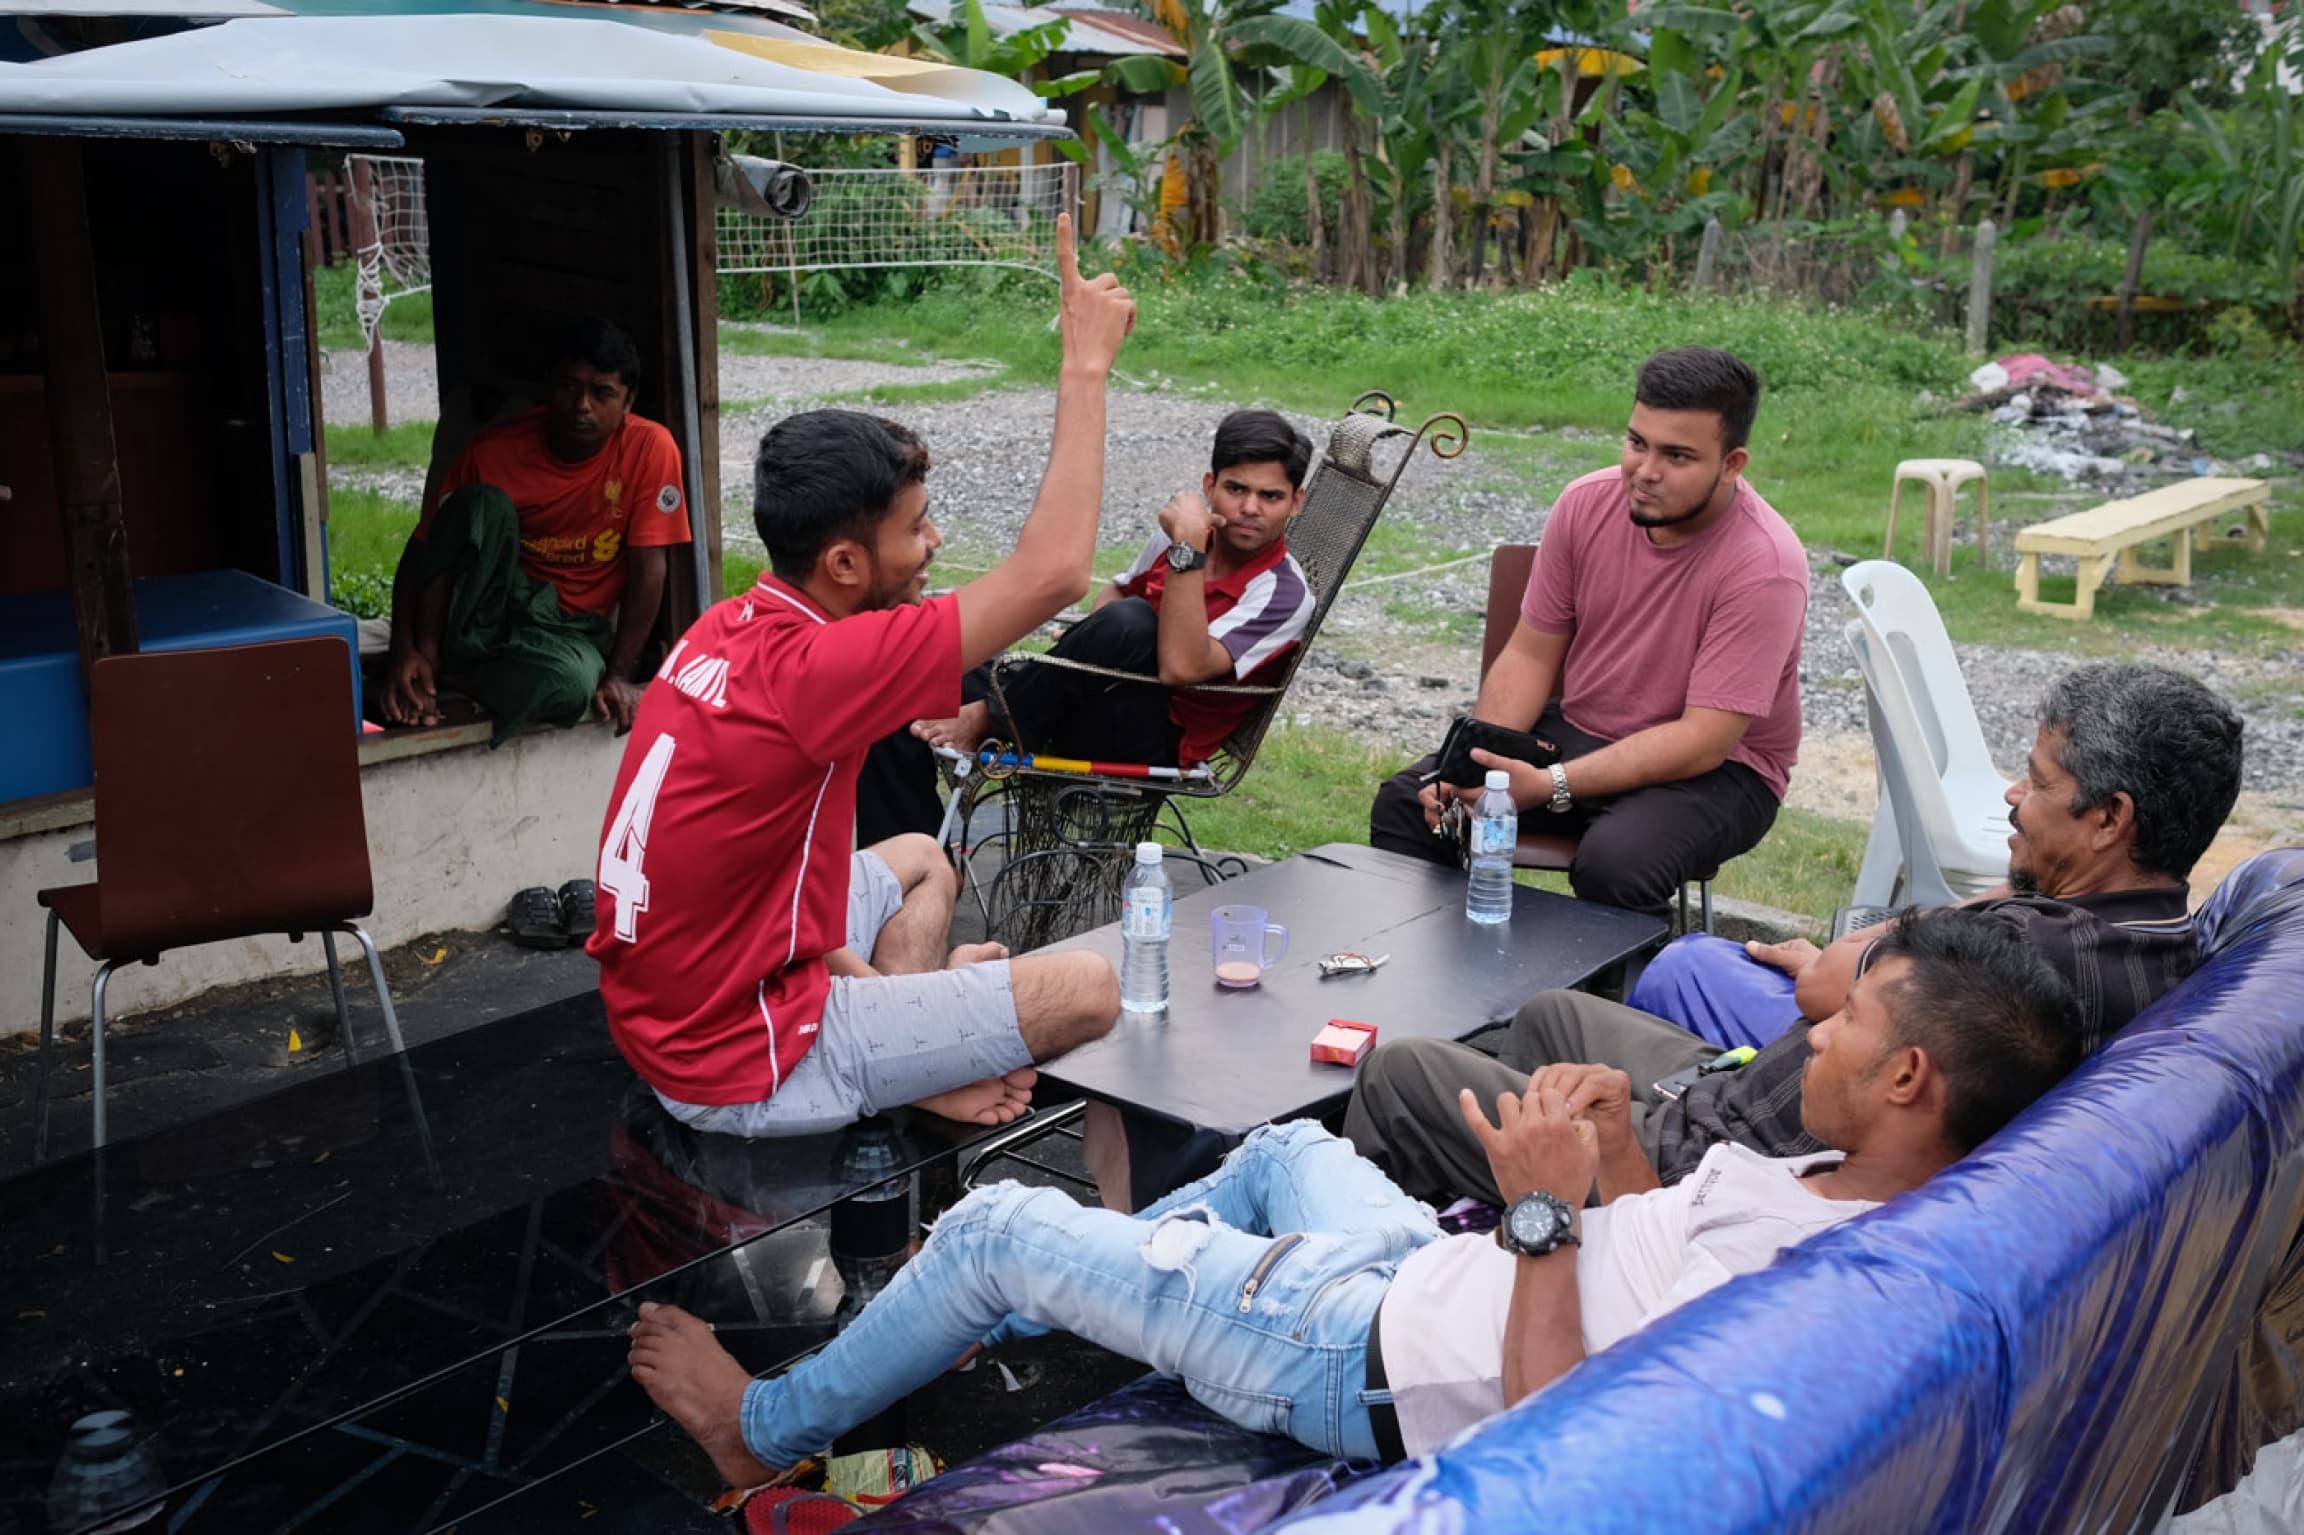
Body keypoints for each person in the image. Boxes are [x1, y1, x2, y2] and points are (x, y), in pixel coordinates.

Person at [625, 908, 2081, 1478]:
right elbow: (1652, 1238)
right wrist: (1621, 1150)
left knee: (998, 1220)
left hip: (1363, 1355)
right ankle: (1150, 1282)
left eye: (1846, 1026)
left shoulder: (1821, 1298)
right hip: (1415, 1272)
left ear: (1911, 1084)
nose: (1811, 1031)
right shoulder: (1844, 1181)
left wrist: (1539, 1209)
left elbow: (1553, 1435)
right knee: (1268, 1150)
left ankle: (762, 1428)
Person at [586, 216, 1135, 1135]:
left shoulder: (729, 625)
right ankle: (907, 1066)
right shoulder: (825, 665)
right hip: (735, 1064)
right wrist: (1084, 366)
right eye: (916, 528)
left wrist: (894, 1006)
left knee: (923, 858)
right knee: (1090, 985)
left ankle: (905, 1051)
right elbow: (1054, 574)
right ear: (843, 563)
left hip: (671, 1008)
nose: (935, 544)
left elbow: (772, 885)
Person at [1344, 661, 2244, 1207]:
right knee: (1549, 1016)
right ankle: (1493, 1175)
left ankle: (1400, 1268)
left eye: (2040, 782)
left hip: (1711, 1163)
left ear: (2108, 819)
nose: (2012, 793)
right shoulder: (2155, 935)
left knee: (1399, 1069)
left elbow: (1831, 988)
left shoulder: (2022, 961)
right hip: (1729, 1102)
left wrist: (1964, 911)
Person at [1365, 346, 1805, 914]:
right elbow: (1530, 654)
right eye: (1637, 442)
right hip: (1581, 729)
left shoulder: (1765, 565)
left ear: (1732, 463)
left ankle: (1601, 1002)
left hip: (1720, 772)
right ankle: (1438, 976)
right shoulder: (1585, 504)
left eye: (1677, 456)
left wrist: (1549, 785)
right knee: (1413, 804)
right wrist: (1476, 768)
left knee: (1617, 864)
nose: (1645, 472)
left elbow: (1703, 740)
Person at [854, 409, 1316, 846]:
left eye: (1270, 496)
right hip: (1079, 698)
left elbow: (1181, 666)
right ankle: (912, 868)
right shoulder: (1183, 535)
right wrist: (1086, 646)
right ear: (1210, 485)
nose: (1250, 508)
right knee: (902, 690)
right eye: (1236, 489)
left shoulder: (1282, 593)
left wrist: (1187, 553)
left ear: (1296, 502)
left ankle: (991, 718)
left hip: (1152, 739)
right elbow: (1112, 595)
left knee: (1132, 623)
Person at [382, 318, 689, 740]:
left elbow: (650, 568)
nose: (582, 405)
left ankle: (452, 680)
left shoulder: (651, 449)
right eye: (569, 387)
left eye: (601, 394)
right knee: (481, 504)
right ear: (549, 389)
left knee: (571, 686)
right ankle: (432, 661)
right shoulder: (492, 451)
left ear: (628, 401)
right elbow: (422, 551)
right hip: (485, 616)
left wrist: (620, 675)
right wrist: (406, 649)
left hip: (569, 632)